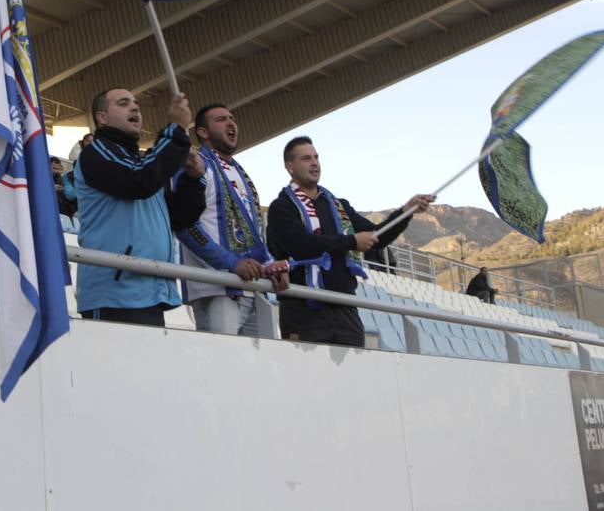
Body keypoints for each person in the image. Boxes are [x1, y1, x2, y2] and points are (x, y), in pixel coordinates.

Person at [266, 136, 434, 347]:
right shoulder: (281, 207)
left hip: (345, 306)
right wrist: (352, 242)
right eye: (306, 158)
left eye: (316, 157)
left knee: (354, 377)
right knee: (311, 378)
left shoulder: (339, 206)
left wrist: (406, 211)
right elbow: (303, 247)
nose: (314, 162)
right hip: (303, 308)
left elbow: (376, 237)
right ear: (290, 167)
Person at [74, 87, 207, 327]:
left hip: (150, 290)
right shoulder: (95, 153)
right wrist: (175, 131)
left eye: (135, 103)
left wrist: (192, 179)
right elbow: (138, 183)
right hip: (115, 292)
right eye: (123, 103)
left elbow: (178, 218)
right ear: (102, 118)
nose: (135, 107)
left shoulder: (142, 162)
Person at [177, 104, 289, 337]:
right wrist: (231, 262)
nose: (231, 123)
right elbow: (186, 227)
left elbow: (251, 231)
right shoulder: (196, 165)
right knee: (222, 366)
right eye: (221, 119)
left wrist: (270, 266)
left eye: (232, 118)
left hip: (254, 289)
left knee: (259, 368)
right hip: (216, 288)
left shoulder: (239, 171)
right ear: (203, 132)